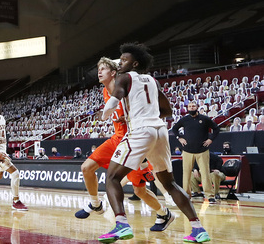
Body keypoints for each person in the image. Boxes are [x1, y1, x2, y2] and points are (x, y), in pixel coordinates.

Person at [100, 43, 209, 243]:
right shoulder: (152, 80)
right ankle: (198, 228)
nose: (120, 63)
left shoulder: (124, 77)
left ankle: (121, 225)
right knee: (170, 183)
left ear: (135, 63)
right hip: (160, 130)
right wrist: (144, 113)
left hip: (141, 131)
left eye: (124, 60)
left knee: (112, 178)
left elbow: (114, 101)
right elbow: (167, 111)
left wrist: (104, 114)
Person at [76, 57, 172, 233]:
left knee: (140, 190)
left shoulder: (127, 88)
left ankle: (164, 213)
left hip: (134, 141)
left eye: (104, 68)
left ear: (113, 72)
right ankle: (96, 204)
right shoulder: (106, 91)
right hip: (116, 139)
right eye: (99, 68)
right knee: (86, 167)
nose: (99, 72)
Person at [172, 100, 220, 204]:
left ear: (197, 107)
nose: (192, 107)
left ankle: (210, 196)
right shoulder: (184, 120)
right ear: (187, 108)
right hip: (187, 151)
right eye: (190, 106)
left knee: (205, 173)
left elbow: (216, 128)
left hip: (202, 150)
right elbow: (174, 129)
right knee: (186, 174)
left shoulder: (205, 119)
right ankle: (186, 195)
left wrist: (210, 139)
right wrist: (179, 138)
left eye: (193, 106)